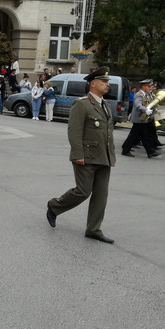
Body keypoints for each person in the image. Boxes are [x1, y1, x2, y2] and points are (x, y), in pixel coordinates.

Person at [46, 66, 117, 244]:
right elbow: (74, 131)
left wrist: (111, 155)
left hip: (104, 157)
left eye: (107, 81)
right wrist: (78, 153)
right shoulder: (82, 104)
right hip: (86, 156)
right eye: (104, 81)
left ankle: (93, 229)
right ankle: (54, 206)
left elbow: (108, 133)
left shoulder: (105, 104)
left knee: (101, 195)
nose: (107, 84)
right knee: (83, 192)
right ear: (93, 84)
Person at [121, 79, 160, 158]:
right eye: (148, 86)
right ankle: (126, 150)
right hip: (138, 119)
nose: (150, 88)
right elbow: (138, 105)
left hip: (142, 119)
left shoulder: (145, 94)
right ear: (143, 86)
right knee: (135, 136)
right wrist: (146, 110)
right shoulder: (139, 95)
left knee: (144, 136)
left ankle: (150, 152)